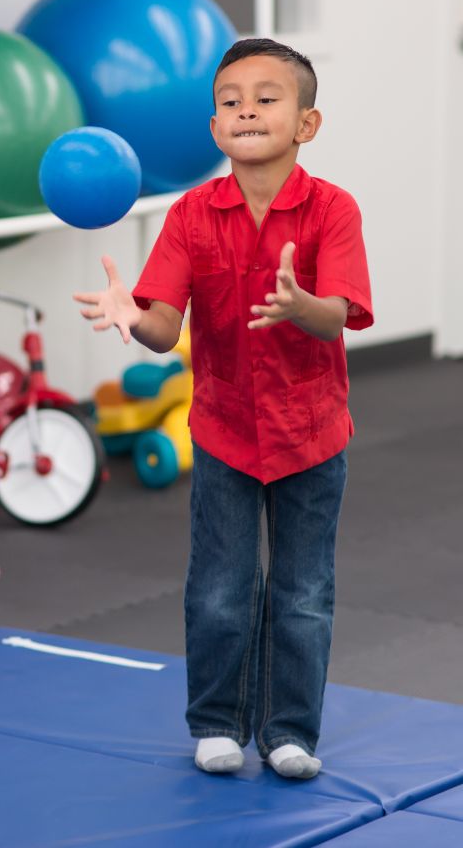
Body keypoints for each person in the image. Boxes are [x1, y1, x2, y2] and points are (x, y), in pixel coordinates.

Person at [75, 38, 373, 780]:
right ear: (215, 129)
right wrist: (127, 315)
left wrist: (301, 304)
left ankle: (289, 731)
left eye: (267, 98)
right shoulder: (190, 214)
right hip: (225, 433)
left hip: (312, 434)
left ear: (307, 123)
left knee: (304, 594)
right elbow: (160, 327)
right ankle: (216, 723)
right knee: (218, 590)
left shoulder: (334, 210)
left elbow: (338, 315)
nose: (246, 109)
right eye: (231, 100)